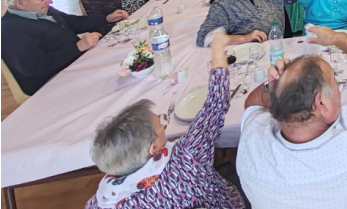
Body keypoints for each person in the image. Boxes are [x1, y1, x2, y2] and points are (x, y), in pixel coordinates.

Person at [236, 25, 347, 209]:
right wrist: (338, 38)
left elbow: (252, 106)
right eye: (335, 82)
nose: (337, 89)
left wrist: (273, 88)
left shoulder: (251, 152)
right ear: (321, 104)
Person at [86, 33, 246, 209]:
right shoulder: (185, 161)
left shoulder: (99, 202)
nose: (164, 123)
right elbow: (216, 104)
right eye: (161, 123)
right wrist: (218, 48)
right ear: (153, 148)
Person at [1, 0, 118, 96]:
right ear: (20, 4)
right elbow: (33, 67)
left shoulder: (41, 10)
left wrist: (106, 19)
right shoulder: (11, 30)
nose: (49, 1)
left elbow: (72, 22)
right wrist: (77, 47)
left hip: (74, 61)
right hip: (51, 81)